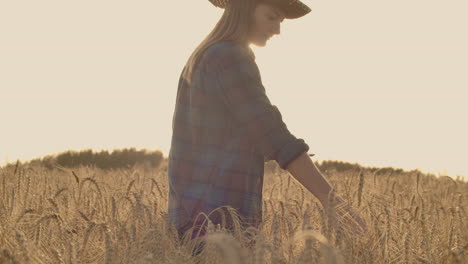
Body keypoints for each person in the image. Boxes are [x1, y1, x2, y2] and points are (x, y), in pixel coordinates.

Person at [168, 0, 368, 256]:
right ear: (244, 10)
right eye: (271, 17)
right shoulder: (229, 56)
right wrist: (330, 199)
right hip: (218, 215)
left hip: (193, 212)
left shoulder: (203, 56)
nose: (277, 30)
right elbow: (270, 132)